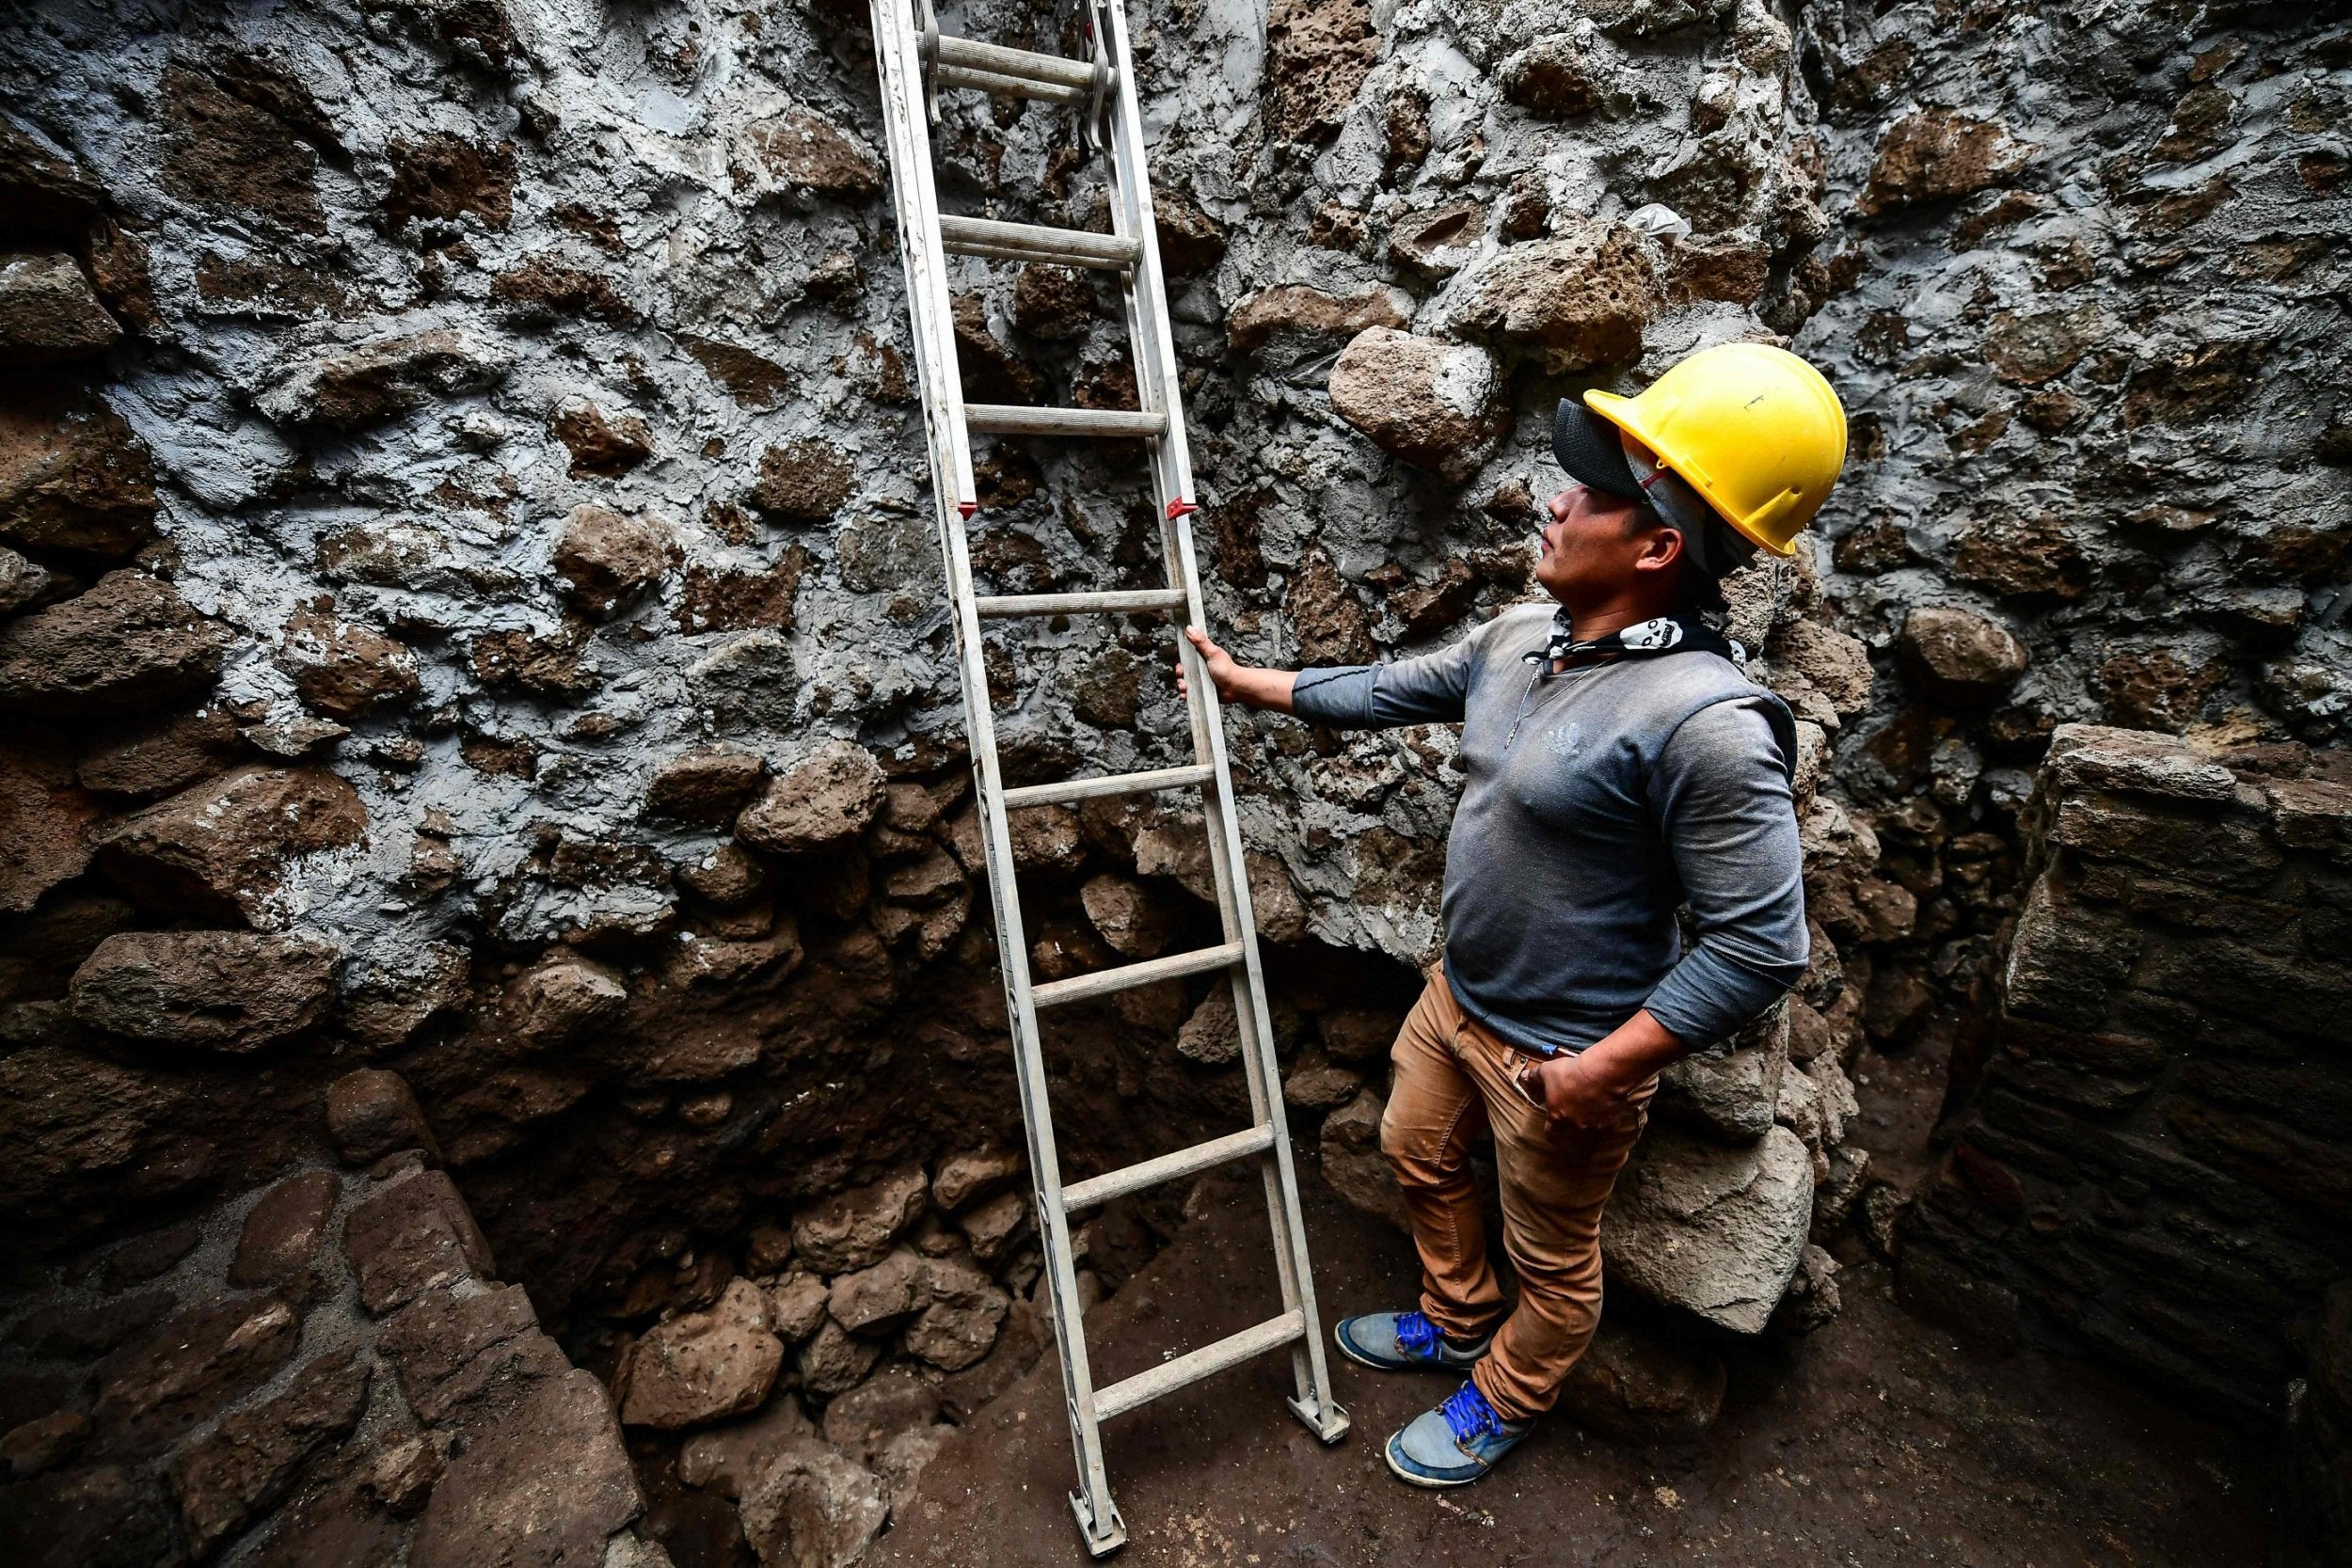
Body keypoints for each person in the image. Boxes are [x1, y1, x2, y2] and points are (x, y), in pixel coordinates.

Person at [1177, 341, 1848, 1487]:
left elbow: (1757, 942)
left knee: (1554, 1256)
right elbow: (1394, 687)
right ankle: (1453, 1312)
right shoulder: (1518, 639)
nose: (1553, 500)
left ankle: (1504, 1393)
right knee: (1413, 1152)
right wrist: (1256, 685)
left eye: (1588, 493)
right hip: (1460, 994)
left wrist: (1609, 1065)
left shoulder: (1710, 721)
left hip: (1565, 1051)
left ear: (1655, 545)